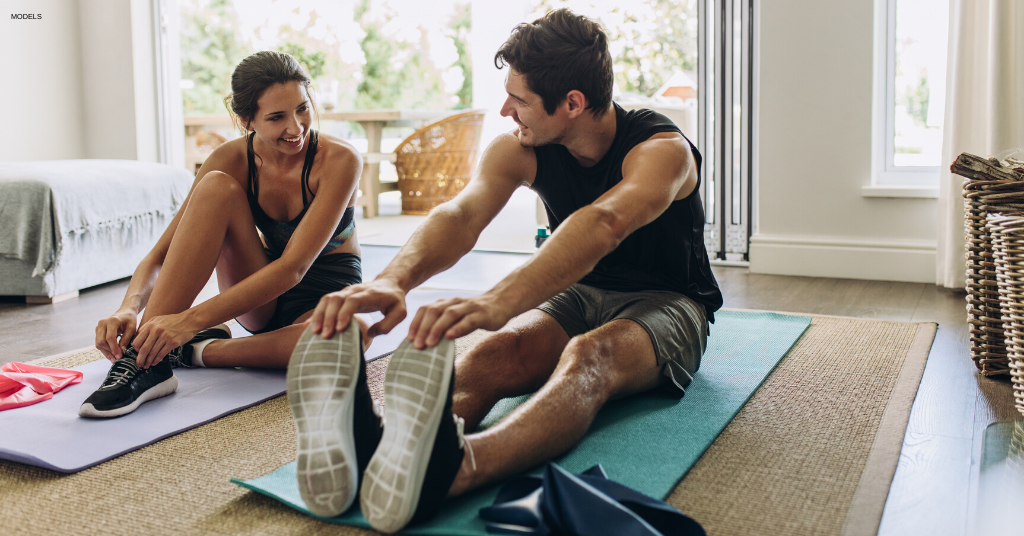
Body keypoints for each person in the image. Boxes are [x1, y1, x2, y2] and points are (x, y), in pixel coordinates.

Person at [283, 9, 722, 531]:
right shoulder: (522, 148)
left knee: (589, 356)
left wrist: (498, 301)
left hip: (670, 302)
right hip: (581, 291)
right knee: (498, 351)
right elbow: (462, 215)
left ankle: (458, 469)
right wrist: (391, 280)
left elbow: (605, 222)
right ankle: (378, 448)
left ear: (573, 104)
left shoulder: (663, 152)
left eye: (519, 99)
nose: (505, 108)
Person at [80, 51, 368, 419]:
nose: (296, 128)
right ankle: (144, 362)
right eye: (277, 117)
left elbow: (294, 268)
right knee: (215, 187)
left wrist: (188, 324)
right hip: (258, 292)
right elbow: (160, 254)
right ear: (245, 119)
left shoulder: (340, 160)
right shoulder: (230, 159)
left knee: (349, 338)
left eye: (303, 108)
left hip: (324, 296)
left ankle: (190, 351)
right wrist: (128, 308)